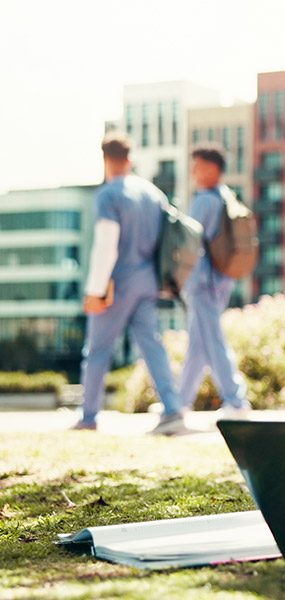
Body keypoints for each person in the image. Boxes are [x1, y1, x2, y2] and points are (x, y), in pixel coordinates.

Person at [75, 134, 185, 435]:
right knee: (152, 346)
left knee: (98, 350)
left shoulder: (108, 195)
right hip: (149, 283)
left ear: (105, 159)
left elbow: (106, 245)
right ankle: (173, 408)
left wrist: (94, 291)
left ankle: (88, 416)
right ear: (130, 157)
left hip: (117, 285)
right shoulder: (152, 193)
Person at [176, 145, 251, 420]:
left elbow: (188, 242)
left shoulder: (205, 200)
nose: (193, 172)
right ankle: (180, 401)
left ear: (212, 168)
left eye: (197, 166)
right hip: (221, 278)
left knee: (213, 340)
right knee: (198, 343)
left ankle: (236, 400)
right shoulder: (225, 196)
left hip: (203, 281)